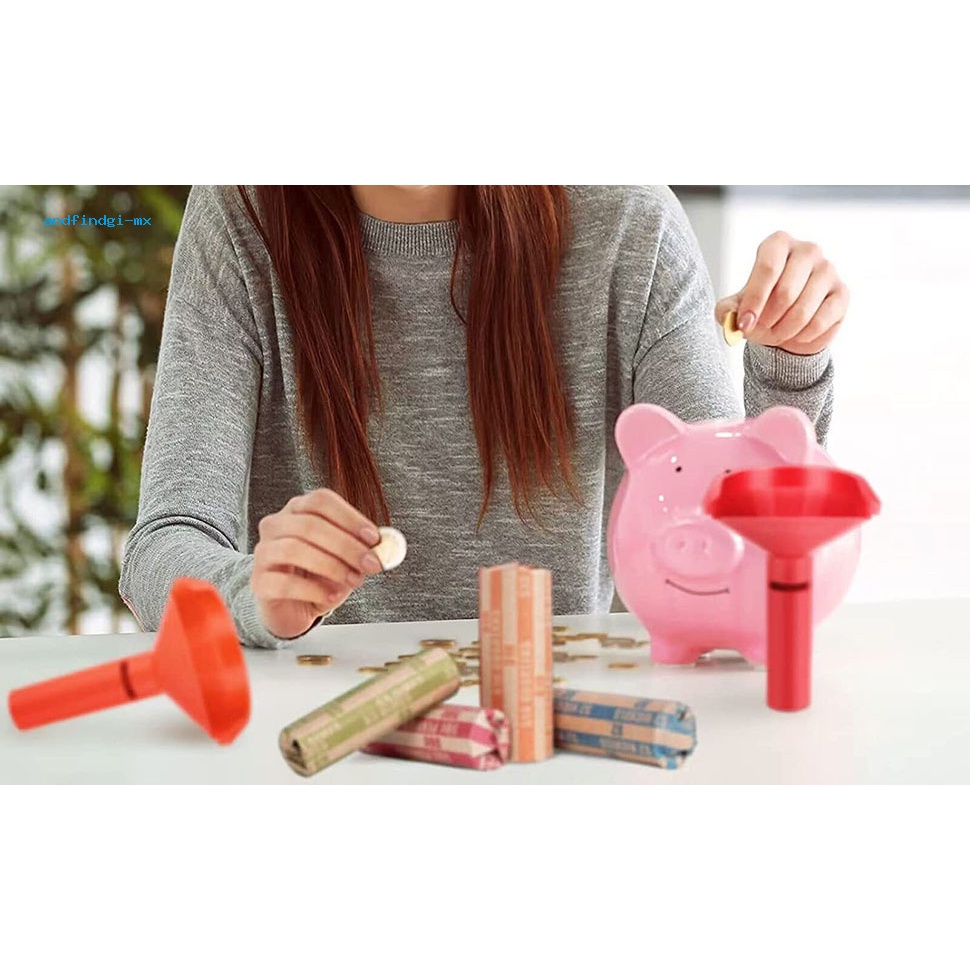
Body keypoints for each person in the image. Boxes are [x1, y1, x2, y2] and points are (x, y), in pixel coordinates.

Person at [119, 185, 847, 648]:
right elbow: (163, 548)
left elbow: (737, 534)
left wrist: (790, 364)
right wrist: (250, 592)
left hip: (557, 734)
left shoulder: (630, 224)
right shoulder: (241, 216)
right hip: (321, 734)